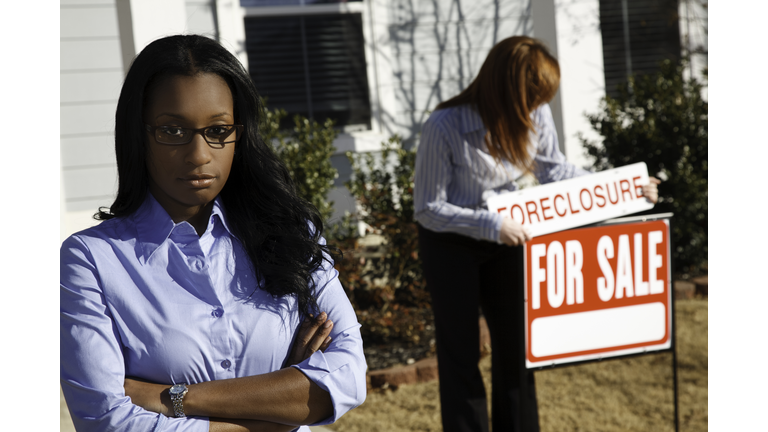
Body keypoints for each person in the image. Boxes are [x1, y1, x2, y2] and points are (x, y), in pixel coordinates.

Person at [60, 34, 367, 432]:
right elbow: (108, 422)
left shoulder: (292, 234)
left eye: (219, 131)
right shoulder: (91, 260)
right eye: (172, 131)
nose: (200, 155)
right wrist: (276, 408)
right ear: (139, 134)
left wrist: (172, 397)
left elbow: (346, 378)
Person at [413, 36, 659, 432]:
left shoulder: (537, 114)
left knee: (517, 351)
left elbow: (555, 171)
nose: (537, 107)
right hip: (451, 243)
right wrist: (490, 224)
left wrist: (626, 187)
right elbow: (427, 209)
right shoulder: (445, 126)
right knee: (460, 355)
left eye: (542, 98)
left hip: (510, 240)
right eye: (532, 97)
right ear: (506, 90)